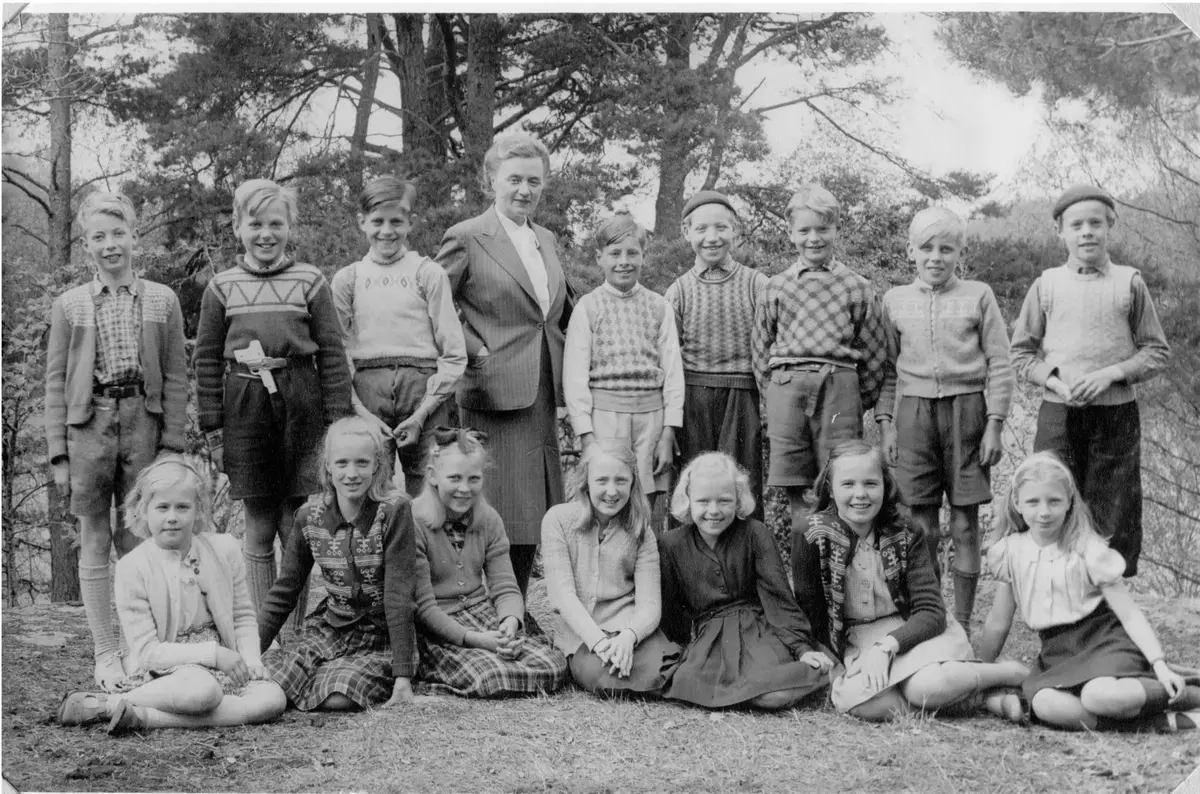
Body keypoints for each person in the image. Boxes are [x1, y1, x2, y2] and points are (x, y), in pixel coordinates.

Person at [44, 191, 189, 690]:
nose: (110, 245)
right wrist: (59, 455)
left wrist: (172, 444)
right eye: (98, 237)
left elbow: (176, 376)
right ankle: (105, 652)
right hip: (88, 427)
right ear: (86, 245)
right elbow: (56, 382)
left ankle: (136, 649)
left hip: (144, 421)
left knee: (136, 537)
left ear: (134, 237)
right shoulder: (70, 305)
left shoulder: (162, 300)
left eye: (118, 233)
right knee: (95, 535)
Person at [193, 178, 353, 621]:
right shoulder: (221, 287)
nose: (266, 234)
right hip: (245, 405)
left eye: (276, 224)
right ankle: (263, 634)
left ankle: (294, 632)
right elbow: (206, 360)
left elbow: (333, 354)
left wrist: (336, 425)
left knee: (296, 521)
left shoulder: (310, 281)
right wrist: (213, 429)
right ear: (237, 228)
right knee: (259, 521)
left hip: (302, 400)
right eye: (255, 224)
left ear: (289, 227)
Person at [792, 441, 1029, 721]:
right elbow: (811, 610)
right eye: (848, 484)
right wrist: (834, 661)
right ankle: (984, 700)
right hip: (858, 640)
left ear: (885, 485)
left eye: (871, 483)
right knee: (864, 702)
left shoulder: (905, 531)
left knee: (926, 687)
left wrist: (887, 647)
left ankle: (1009, 673)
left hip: (913, 629)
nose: (860, 494)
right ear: (830, 488)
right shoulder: (812, 534)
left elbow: (931, 611)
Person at [435, 131, 575, 597]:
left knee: (534, 506)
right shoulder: (467, 236)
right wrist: (474, 348)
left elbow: (552, 312)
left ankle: (515, 604)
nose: (524, 190)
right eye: (514, 179)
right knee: (494, 504)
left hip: (542, 387)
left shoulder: (545, 238)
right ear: (491, 180)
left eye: (534, 181)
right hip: (493, 390)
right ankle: (483, 601)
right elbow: (432, 304)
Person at [56, 456, 286, 734]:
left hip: (223, 661)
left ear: (198, 510)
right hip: (166, 667)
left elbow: (243, 617)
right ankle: (109, 703)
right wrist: (213, 655)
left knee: (273, 699)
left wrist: (251, 661)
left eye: (183, 507)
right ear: (142, 510)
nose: (172, 517)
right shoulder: (133, 568)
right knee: (203, 691)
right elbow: (148, 652)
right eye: (162, 507)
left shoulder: (225, 550)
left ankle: (144, 716)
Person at [1009, 185, 1170, 577]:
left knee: (1114, 510)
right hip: (1058, 416)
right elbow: (1021, 354)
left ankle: (1107, 601)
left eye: (1095, 223)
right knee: (1052, 500)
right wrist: (1054, 382)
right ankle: (1054, 593)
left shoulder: (1129, 283)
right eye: (1076, 225)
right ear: (1060, 231)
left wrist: (1111, 374)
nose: (1086, 233)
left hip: (1115, 417)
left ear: (1109, 226)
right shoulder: (1046, 285)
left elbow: (1156, 351)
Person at [978, 452, 1199, 731]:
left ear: (1069, 501)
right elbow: (998, 622)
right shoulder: (1010, 552)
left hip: (1104, 641)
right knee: (1044, 704)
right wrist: (980, 671)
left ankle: (1187, 694)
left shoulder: (1087, 549)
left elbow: (1129, 613)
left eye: (1054, 501)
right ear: (1017, 503)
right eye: (1033, 501)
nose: (1044, 512)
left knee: (1100, 696)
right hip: (1058, 654)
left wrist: (1160, 663)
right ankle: (1157, 722)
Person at [877, 206, 1014, 634]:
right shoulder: (894, 300)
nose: (935, 257)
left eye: (946, 249)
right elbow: (887, 371)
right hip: (914, 414)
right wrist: (885, 424)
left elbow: (1001, 362)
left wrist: (995, 423)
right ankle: (932, 617)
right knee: (921, 524)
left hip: (967, 412)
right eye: (926, 248)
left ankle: (964, 620)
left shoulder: (978, 295)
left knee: (964, 522)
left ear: (960, 253)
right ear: (910, 251)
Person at [752, 183, 888, 530]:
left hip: (838, 387)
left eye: (823, 229)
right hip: (787, 389)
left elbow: (874, 353)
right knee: (798, 491)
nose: (813, 238)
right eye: (804, 230)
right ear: (790, 233)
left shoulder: (857, 286)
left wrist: (855, 397)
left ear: (837, 229)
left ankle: (840, 563)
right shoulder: (776, 286)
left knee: (840, 477)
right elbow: (761, 348)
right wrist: (773, 396)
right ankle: (806, 565)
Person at [258, 417, 417, 711]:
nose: (351, 474)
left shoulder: (394, 510)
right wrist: (250, 652)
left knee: (342, 692)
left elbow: (399, 595)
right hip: (333, 626)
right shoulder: (309, 517)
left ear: (377, 465)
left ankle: (323, 681)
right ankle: (310, 679)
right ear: (328, 466)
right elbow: (285, 591)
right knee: (271, 675)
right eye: (342, 463)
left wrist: (403, 675)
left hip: (382, 634)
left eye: (362, 463)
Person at [658, 452, 834, 710]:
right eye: (703, 501)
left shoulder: (755, 533)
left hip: (758, 630)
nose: (713, 511)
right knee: (685, 685)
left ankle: (823, 675)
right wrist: (680, 650)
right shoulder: (671, 544)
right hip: (711, 640)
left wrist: (801, 648)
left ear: (739, 499)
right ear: (687, 500)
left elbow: (778, 597)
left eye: (724, 500)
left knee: (772, 695)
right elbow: (672, 611)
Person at [332, 176, 466, 496]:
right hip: (368, 391)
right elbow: (334, 353)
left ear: (411, 223)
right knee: (369, 485)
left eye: (396, 221)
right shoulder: (348, 279)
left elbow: (453, 351)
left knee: (429, 487)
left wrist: (422, 413)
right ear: (362, 222)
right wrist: (359, 410)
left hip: (423, 391)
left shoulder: (428, 273)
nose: (387, 231)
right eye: (377, 221)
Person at [411, 427, 569, 697]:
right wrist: (475, 640)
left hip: (481, 614)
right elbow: (424, 607)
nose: (464, 488)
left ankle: (497, 655)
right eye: (455, 478)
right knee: (490, 676)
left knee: (554, 664)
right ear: (433, 475)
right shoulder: (414, 521)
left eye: (474, 479)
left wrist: (510, 623)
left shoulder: (489, 519)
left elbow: (505, 586)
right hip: (439, 625)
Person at [564, 214, 684, 508]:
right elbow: (575, 378)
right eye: (615, 253)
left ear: (643, 255)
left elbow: (672, 372)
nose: (624, 261)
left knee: (646, 503)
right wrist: (587, 437)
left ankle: (646, 541)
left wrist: (668, 433)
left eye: (632, 253)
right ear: (599, 258)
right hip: (605, 419)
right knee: (608, 495)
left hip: (651, 419)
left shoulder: (659, 306)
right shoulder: (588, 307)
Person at [541, 442, 679, 696]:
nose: (612, 491)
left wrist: (628, 637)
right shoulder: (558, 520)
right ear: (586, 482)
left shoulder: (641, 530)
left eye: (621, 481)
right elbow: (563, 596)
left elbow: (650, 605)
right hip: (582, 634)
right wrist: (600, 643)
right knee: (604, 677)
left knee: (667, 669)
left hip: (626, 628)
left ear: (633, 484)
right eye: (602, 480)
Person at [664, 191, 768, 517]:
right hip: (693, 399)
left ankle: (747, 549)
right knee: (693, 484)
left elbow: (770, 349)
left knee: (742, 486)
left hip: (743, 396)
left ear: (734, 230)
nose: (712, 237)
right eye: (701, 229)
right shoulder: (678, 291)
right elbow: (668, 361)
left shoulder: (757, 284)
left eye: (721, 228)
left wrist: (767, 405)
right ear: (686, 232)